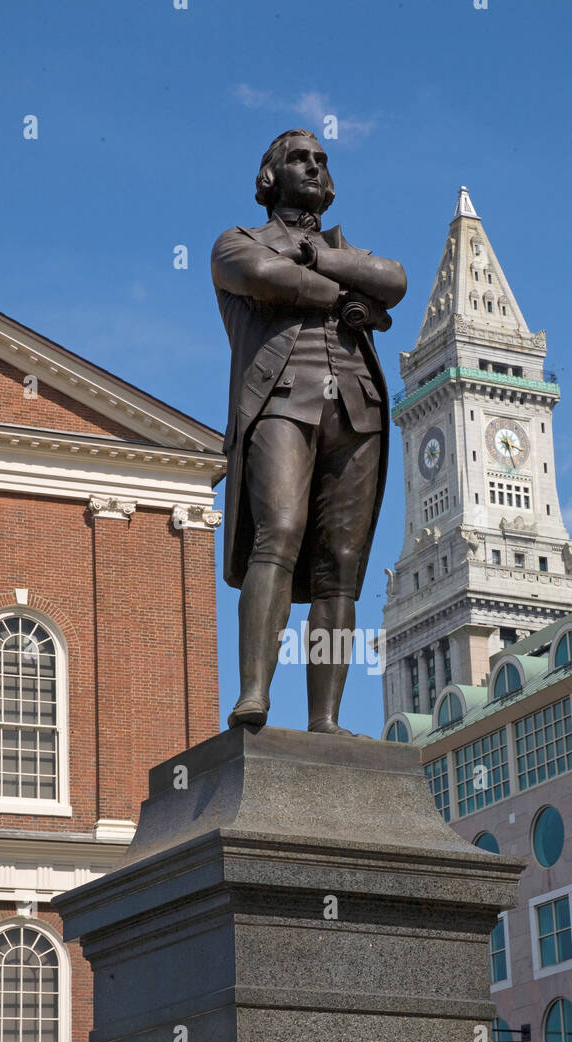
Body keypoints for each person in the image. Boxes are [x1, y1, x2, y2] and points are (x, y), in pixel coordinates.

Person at [211, 128, 406, 733]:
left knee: (341, 565)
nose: (315, 167)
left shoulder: (346, 250)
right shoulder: (236, 242)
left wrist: (320, 257)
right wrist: (345, 288)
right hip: (282, 399)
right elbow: (266, 277)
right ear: (270, 176)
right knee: (281, 531)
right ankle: (254, 695)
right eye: (300, 159)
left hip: (359, 408)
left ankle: (325, 718)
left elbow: (394, 281)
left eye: (322, 160)